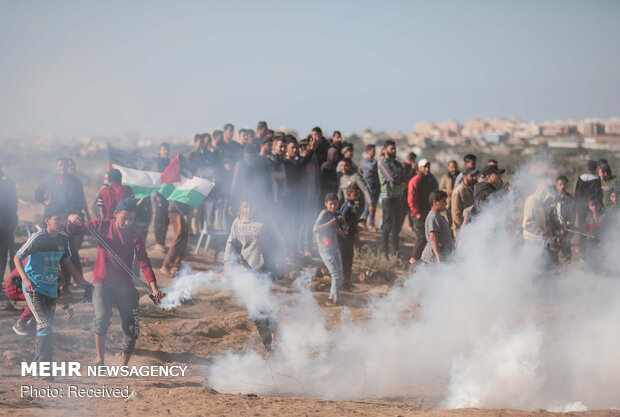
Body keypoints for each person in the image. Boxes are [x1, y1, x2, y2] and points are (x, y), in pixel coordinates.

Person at [67, 198, 164, 366]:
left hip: (126, 286)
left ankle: (123, 365)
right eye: (124, 218)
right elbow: (73, 231)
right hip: (101, 282)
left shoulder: (135, 234)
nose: (127, 222)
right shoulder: (101, 226)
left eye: (131, 219)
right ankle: (100, 359)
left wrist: (154, 288)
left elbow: (143, 261)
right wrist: (71, 218)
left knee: (132, 327)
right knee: (102, 317)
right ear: (115, 214)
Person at [14, 204, 88, 372]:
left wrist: (81, 280)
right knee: (44, 324)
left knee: (46, 327)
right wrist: (25, 279)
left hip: (51, 289)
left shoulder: (63, 238)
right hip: (34, 288)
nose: (61, 222)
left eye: (63, 218)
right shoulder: (37, 238)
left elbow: (66, 260)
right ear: (47, 221)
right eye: (57, 219)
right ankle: (42, 369)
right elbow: (17, 257)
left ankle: (40, 366)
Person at [224, 199, 285, 358]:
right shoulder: (237, 222)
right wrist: (227, 263)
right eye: (245, 206)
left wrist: (282, 264)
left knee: (259, 303)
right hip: (248, 270)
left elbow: (280, 242)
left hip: (267, 268)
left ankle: (274, 340)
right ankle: (270, 344)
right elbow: (231, 243)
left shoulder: (265, 220)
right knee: (255, 311)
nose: (249, 209)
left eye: (251, 205)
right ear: (240, 207)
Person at [314, 193, 345, 306]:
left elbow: (343, 230)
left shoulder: (337, 213)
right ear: (326, 204)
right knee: (336, 274)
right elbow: (315, 229)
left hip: (335, 247)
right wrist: (328, 224)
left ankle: (331, 297)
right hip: (325, 249)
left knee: (340, 275)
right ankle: (336, 300)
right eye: (330, 204)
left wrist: (343, 222)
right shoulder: (324, 214)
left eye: (335, 204)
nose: (333, 206)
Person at [408, 159, 439, 264]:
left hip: (427, 212)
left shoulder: (429, 179)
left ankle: (422, 260)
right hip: (418, 213)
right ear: (420, 168)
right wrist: (416, 212)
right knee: (422, 236)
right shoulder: (416, 180)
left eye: (428, 167)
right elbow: (411, 198)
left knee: (428, 237)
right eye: (425, 167)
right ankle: (413, 259)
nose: (427, 169)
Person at [378, 140, 404, 257]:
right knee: (387, 225)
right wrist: (400, 179)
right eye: (391, 149)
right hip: (388, 196)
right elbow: (391, 177)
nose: (393, 150)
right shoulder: (382, 162)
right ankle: (384, 253)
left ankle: (395, 254)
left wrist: (400, 178)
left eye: (394, 148)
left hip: (397, 196)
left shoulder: (398, 164)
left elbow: (404, 176)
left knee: (396, 226)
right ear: (385, 150)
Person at [575, 160, 602, 259]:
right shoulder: (596, 180)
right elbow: (597, 196)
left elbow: (577, 194)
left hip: (581, 209)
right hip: (592, 209)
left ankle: (582, 254)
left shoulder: (581, 178)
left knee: (582, 231)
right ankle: (594, 254)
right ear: (596, 169)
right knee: (593, 230)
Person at [338, 185, 363, 290]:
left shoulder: (352, 205)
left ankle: (347, 282)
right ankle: (344, 283)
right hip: (345, 238)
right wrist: (353, 229)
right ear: (348, 195)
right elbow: (341, 221)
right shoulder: (347, 206)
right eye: (355, 194)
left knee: (349, 260)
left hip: (350, 237)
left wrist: (358, 222)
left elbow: (350, 220)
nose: (358, 196)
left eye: (358, 193)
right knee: (346, 260)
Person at [548, 175, 576, 263]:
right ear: (556, 185)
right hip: (553, 232)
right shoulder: (551, 199)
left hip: (565, 232)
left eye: (564, 185)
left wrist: (566, 226)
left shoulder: (571, 200)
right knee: (552, 257)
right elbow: (548, 215)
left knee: (567, 257)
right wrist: (554, 229)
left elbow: (572, 216)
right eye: (560, 184)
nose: (562, 187)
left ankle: (569, 273)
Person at [420, 191, 454, 264]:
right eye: (444, 201)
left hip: (438, 259)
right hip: (432, 260)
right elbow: (433, 237)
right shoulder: (433, 217)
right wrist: (438, 257)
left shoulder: (437, 216)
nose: (446, 203)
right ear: (435, 202)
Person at [161, 200, 191, 277]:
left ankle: (175, 266)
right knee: (179, 238)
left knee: (184, 239)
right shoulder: (181, 187)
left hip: (181, 212)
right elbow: (176, 199)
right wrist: (184, 213)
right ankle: (166, 266)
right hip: (177, 212)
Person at [0, 163, 18, 285]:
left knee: (3, 255)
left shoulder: (7, 182)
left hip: (5, 225)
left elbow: (13, 205)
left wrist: (10, 223)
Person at [451, 167, 477, 236]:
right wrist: (462, 230)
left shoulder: (474, 189)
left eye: (475, 175)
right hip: (462, 230)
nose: (474, 178)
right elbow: (456, 215)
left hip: (472, 228)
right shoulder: (458, 191)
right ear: (464, 177)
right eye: (471, 176)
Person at [361, 144, 380, 230]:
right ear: (368, 151)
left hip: (376, 184)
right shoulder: (365, 161)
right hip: (369, 185)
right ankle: (364, 221)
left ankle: (370, 223)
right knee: (370, 203)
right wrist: (378, 159)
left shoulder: (375, 161)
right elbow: (372, 167)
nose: (374, 152)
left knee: (373, 205)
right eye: (372, 150)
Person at [439, 160, 460, 227]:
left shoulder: (461, 177)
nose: (453, 169)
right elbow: (441, 188)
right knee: (449, 221)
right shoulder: (445, 177)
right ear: (448, 167)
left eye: (455, 167)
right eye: (451, 167)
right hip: (449, 203)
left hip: (459, 203)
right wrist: (449, 192)